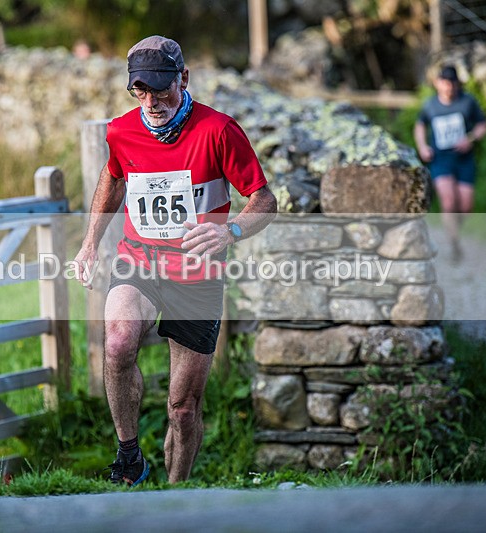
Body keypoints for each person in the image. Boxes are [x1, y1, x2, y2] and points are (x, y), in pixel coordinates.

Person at [74, 35, 277, 486]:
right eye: (140, 91)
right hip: (139, 260)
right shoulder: (121, 131)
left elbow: (265, 200)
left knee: (183, 409)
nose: (152, 102)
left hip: (197, 274)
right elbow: (114, 178)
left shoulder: (219, 130)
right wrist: (90, 242)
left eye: (161, 89)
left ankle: (174, 493)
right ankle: (129, 457)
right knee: (118, 341)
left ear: (183, 78)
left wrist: (230, 230)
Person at [414, 64, 486, 262]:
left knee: (466, 207)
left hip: (464, 160)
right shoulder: (430, 105)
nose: (449, 88)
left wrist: (470, 139)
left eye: (452, 83)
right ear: (438, 83)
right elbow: (420, 125)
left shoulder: (467, 101)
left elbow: (482, 125)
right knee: (448, 201)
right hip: (441, 160)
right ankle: (454, 242)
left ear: (457, 84)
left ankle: (457, 229)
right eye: (445, 83)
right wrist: (422, 146)